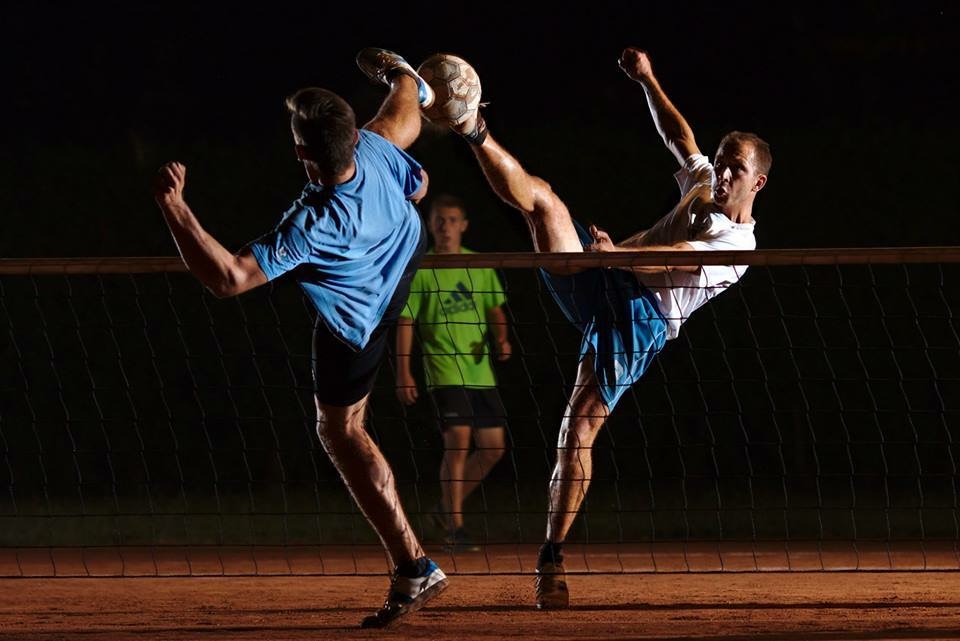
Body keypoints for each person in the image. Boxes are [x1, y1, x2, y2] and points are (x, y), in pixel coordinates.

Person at [444, 47, 771, 608]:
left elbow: (673, 263)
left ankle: (551, 559)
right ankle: (471, 126)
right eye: (722, 159)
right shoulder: (704, 183)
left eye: (735, 166)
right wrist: (648, 78)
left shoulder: (739, 246)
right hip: (607, 273)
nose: (721, 170)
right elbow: (680, 135)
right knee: (543, 202)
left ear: (757, 184)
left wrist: (615, 254)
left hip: (638, 317)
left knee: (577, 429)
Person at [153, 48, 450, 628]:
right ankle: (414, 565)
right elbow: (405, 117)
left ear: (301, 155)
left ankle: (414, 565)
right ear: (352, 136)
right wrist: (402, 76)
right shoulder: (377, 149)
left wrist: (175, 208)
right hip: (402, 270)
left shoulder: (312, 221)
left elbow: (229, 278)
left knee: (339, 429)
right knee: (410, 178)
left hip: (355, 323)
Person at [395, 194, 512, 551]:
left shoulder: (481, 265)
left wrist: (502, 338)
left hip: (480, 372)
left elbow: (495, 309)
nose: (445, 226)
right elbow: (406, 320)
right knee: (458, 440)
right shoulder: (422, 268)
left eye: (452, 219)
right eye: (439, 220)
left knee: (493, 448)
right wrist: (404, 371)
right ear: (431, 225)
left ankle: (445, 509)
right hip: (443, 369)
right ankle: (455, 530)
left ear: (463, 225)